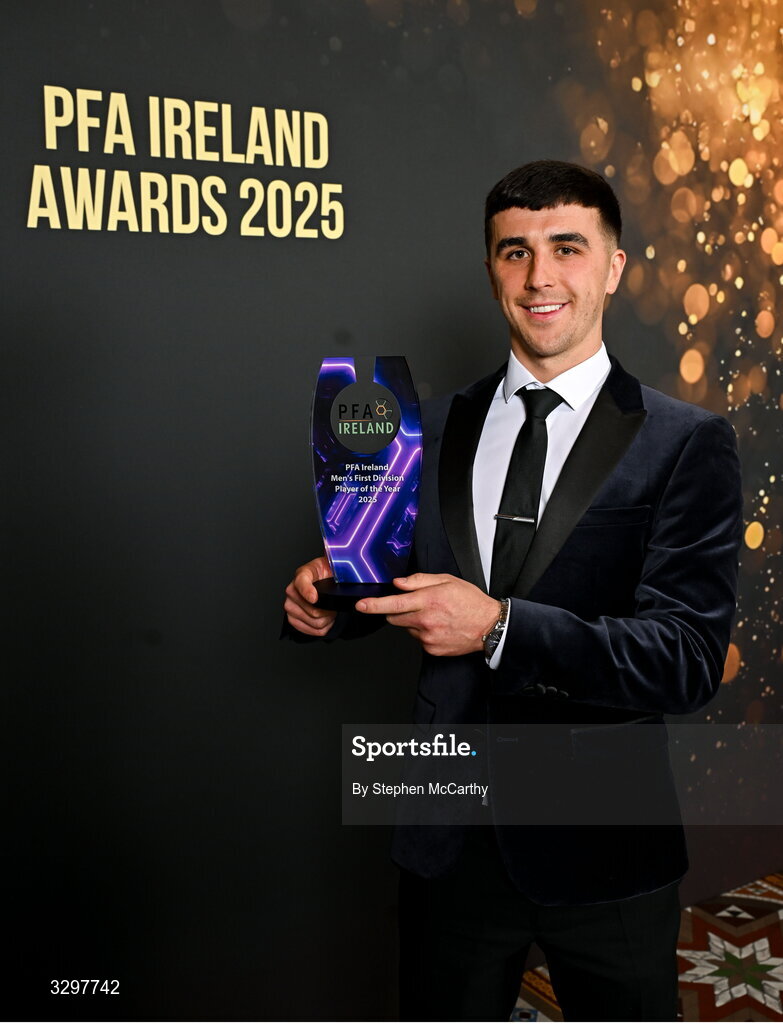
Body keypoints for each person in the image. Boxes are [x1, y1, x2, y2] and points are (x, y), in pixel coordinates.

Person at [283, 160, 743, 1021]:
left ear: (611, 266)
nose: (539, 277)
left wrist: (497, 626)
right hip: (445, 837)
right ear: (490, 269)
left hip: (607, 847)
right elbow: (391, 576)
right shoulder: (427, 423)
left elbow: (684, 660)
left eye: (566, 247)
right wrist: (329, 603)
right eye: (513, 252)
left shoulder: (686, 443)